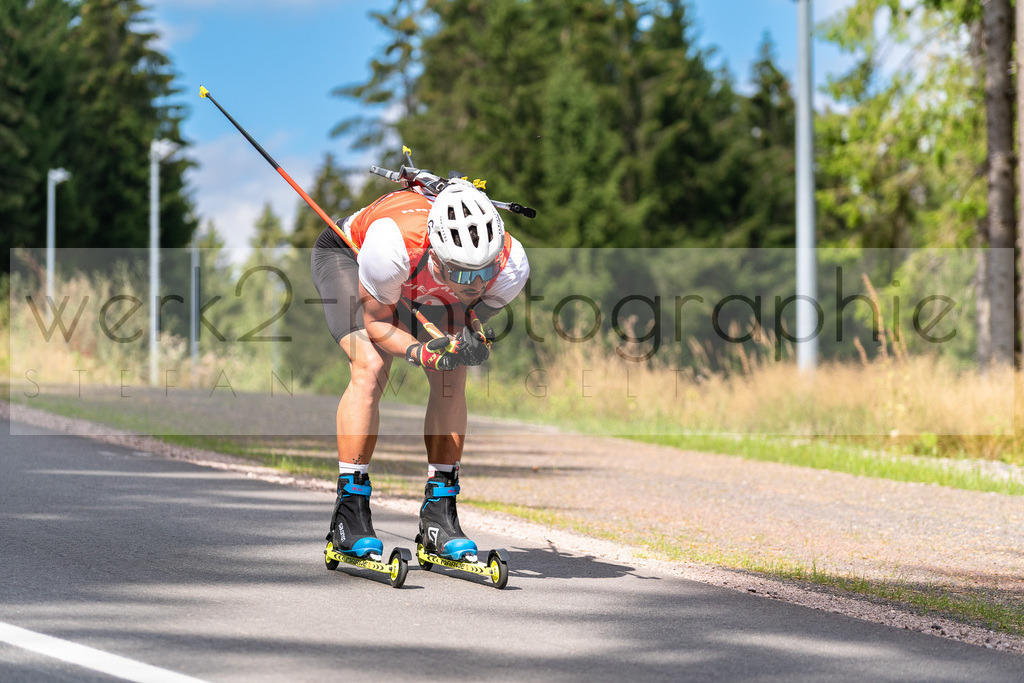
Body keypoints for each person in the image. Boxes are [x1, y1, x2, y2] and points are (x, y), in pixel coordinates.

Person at [311, 178, 530, 561]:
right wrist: (419, 352)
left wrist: (470, 339)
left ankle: (439, 514)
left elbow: (468, 315)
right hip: (351, 257)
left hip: (419, 283)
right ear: (438, 256)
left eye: (484, 271)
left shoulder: (510, 266)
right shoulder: (391, 246)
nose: (476, 283)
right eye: (464, 273)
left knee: (452, 373)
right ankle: (351, 508)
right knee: (372, 364)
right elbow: (378, 322)